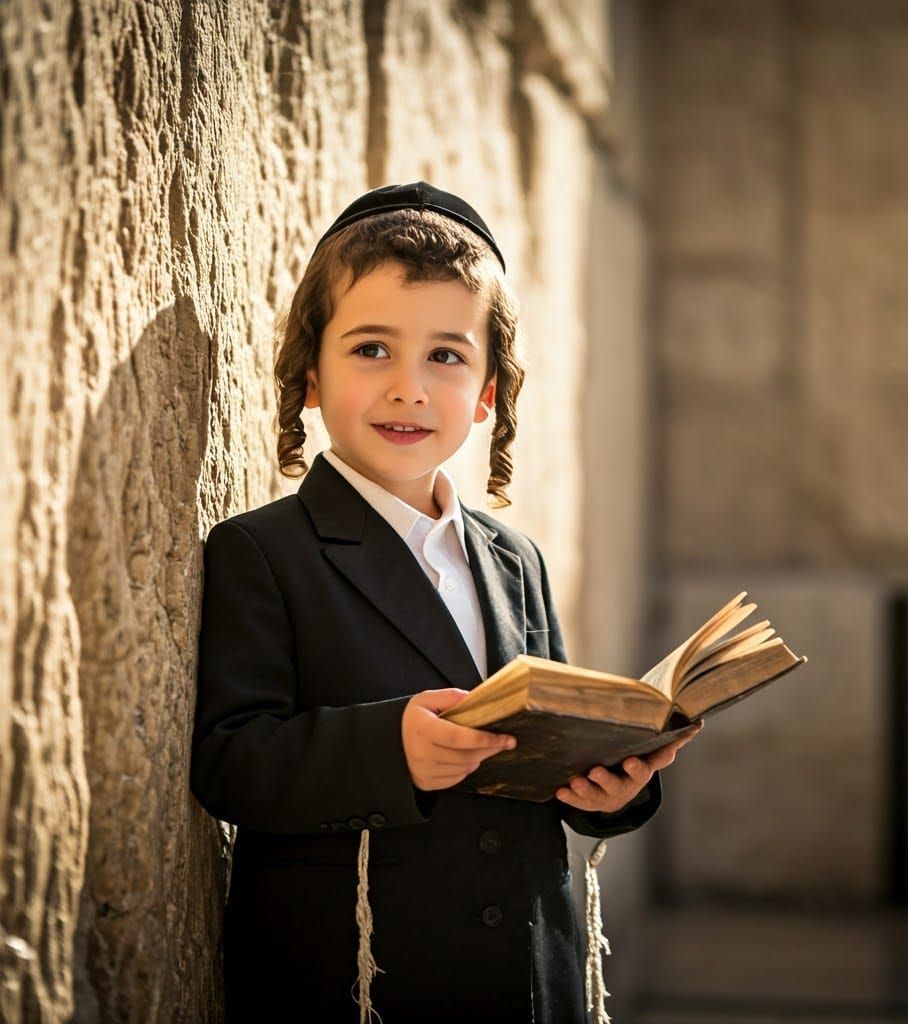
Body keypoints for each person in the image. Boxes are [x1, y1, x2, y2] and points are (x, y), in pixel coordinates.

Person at [189, 182, 702, 1024]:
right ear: (309, 370)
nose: (409, 388)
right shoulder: (264, 552)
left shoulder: (517, 560)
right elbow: (228, 760)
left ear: (489, 391)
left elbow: (550, 735)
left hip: (528, 978)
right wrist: (390, 748)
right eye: (370, 350)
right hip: (361, 982)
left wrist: (615, 786)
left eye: (445, 356)